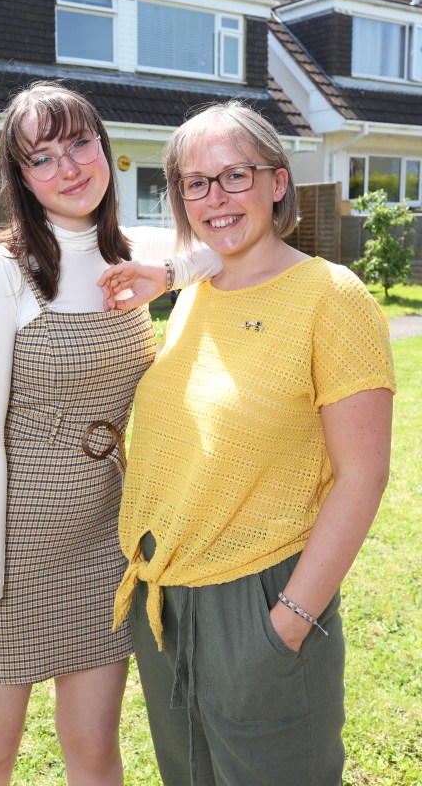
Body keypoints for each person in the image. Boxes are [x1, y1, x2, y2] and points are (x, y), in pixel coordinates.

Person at [0, 81, 221, 786]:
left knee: (94, 752)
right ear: (21, 177)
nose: (69, 167)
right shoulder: (4, 271)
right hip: (8, 542)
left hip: (99, 540)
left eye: (81, 143)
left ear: (105, 149)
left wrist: (166, 274)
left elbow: (227, 242)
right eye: (42, 157)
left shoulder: (133, 247)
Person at [102, 101, 396, 786]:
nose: (215, 197)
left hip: (260, 600)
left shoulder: (333, 298)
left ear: (278, 181)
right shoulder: (198, 290)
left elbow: (362, 477)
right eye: (194, 182)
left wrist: (288, 621)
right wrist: (174, 274)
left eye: (235, 175)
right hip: (165, 604)